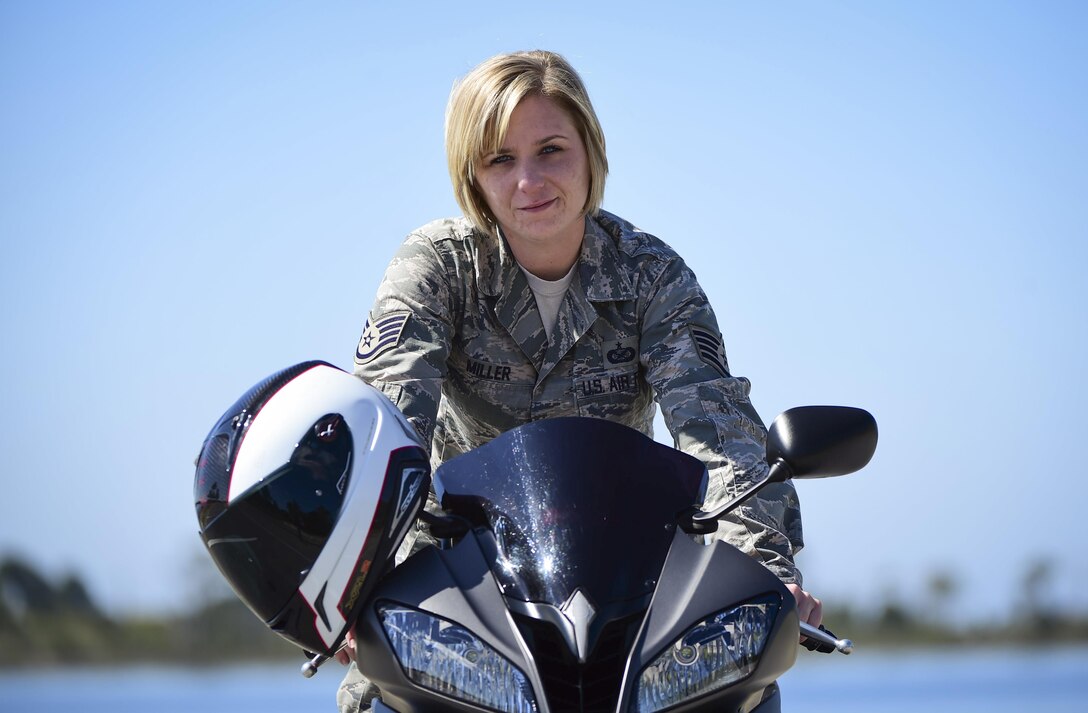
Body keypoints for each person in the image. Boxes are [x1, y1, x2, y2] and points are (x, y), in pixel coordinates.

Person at [336, 49, 821, 712]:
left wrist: (765, 567)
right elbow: (385, 426)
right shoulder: (438, 268)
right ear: (472, 176)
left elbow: (721, 432)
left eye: (552, 150)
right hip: (457, 596)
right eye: (500, 159)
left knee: (742, 682)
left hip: (629, 592)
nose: (529, 180)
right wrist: (352, 580)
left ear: (591, 154)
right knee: (376, 689)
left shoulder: (652, 275)